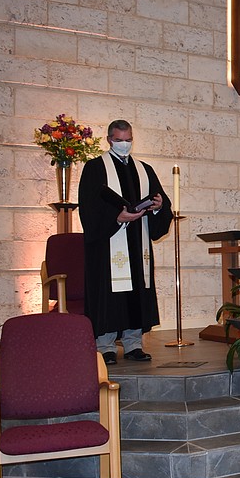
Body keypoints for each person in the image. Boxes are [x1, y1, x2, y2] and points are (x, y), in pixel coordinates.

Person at [79, 120, 173, 365]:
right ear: (109, 139)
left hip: (137, 241)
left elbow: (160, 201)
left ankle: (133, 343)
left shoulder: (144, 169)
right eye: (119, 140)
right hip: (108, 243)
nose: (124, 144)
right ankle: (105, 345)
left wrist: (158, 206)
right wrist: (116, 217)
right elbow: (88, 207)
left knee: (137, 292)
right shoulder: (95, 168)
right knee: (109, 294)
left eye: (128, 140)